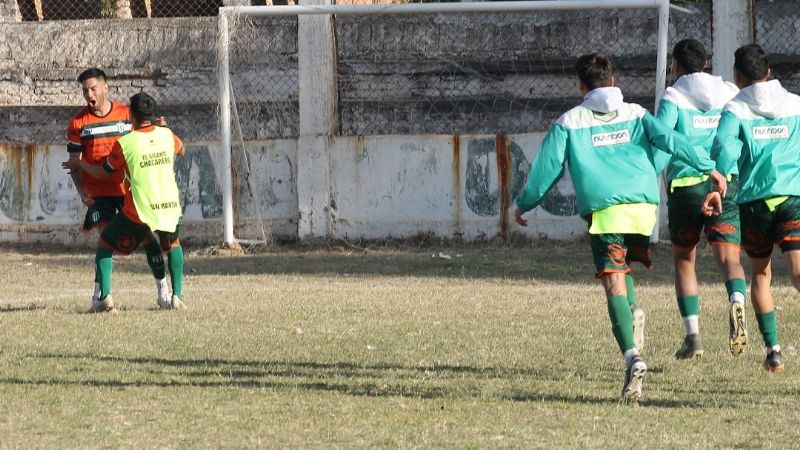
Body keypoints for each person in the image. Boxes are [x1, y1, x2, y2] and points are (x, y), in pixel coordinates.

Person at [514, 53, 727, 401]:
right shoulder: (638, 113)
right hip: (644, 208)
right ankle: (634, 312)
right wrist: (708, 167)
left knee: (613, 282)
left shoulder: (569, 122)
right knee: (623, 264)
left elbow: (544, 171)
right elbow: (672, 140)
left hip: (606, 211)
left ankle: (632, 357)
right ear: (613, 82)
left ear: (582, 86)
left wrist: (523, 204)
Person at [705, 44, 800, 373]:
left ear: (737, 76)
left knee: (761, 274)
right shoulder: (795, 104)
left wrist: (719, 182)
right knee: (798, 273)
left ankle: (773, 351)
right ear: (769, 72)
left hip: (754, 203)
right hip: (792, 198)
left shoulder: (736, 108)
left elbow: (724, 148)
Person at [656, 39, 748, 360]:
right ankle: (737, 299)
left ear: (676, 66)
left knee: (685, 260)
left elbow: (663, 138)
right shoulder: (729, 92)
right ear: (707, 62)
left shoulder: (673, 95)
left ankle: (693, 336)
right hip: (725, 183)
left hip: (686, 186)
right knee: (729, 259)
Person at [63, 92, 187, 313]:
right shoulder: (167, 135)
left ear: (130, 114)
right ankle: (176, 296)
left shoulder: (125, 143)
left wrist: (80, 165)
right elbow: (182, 148)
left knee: (105, 243)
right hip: (169, 203)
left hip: (140, 208)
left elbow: (105, 172)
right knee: (173, 245)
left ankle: (103, 297)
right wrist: (164, 130)